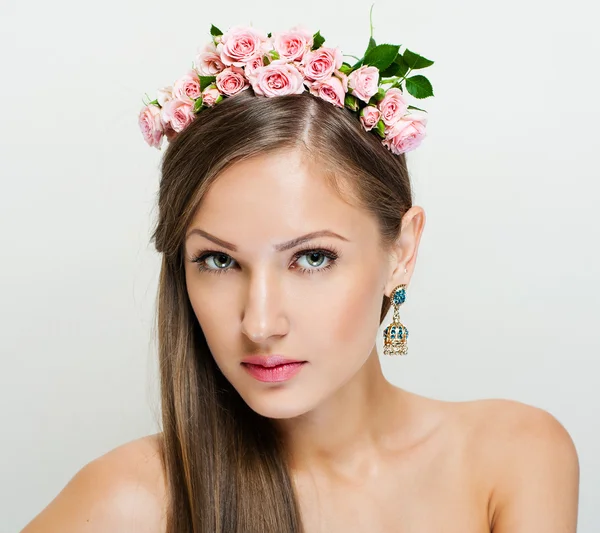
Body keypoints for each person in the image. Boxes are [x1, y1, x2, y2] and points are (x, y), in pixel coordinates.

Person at [21, 23, 579, 533]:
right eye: (218, 261)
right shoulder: (132, 501)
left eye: (312, 258)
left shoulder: (514, 458)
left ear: (402, 252)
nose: (260, 323)